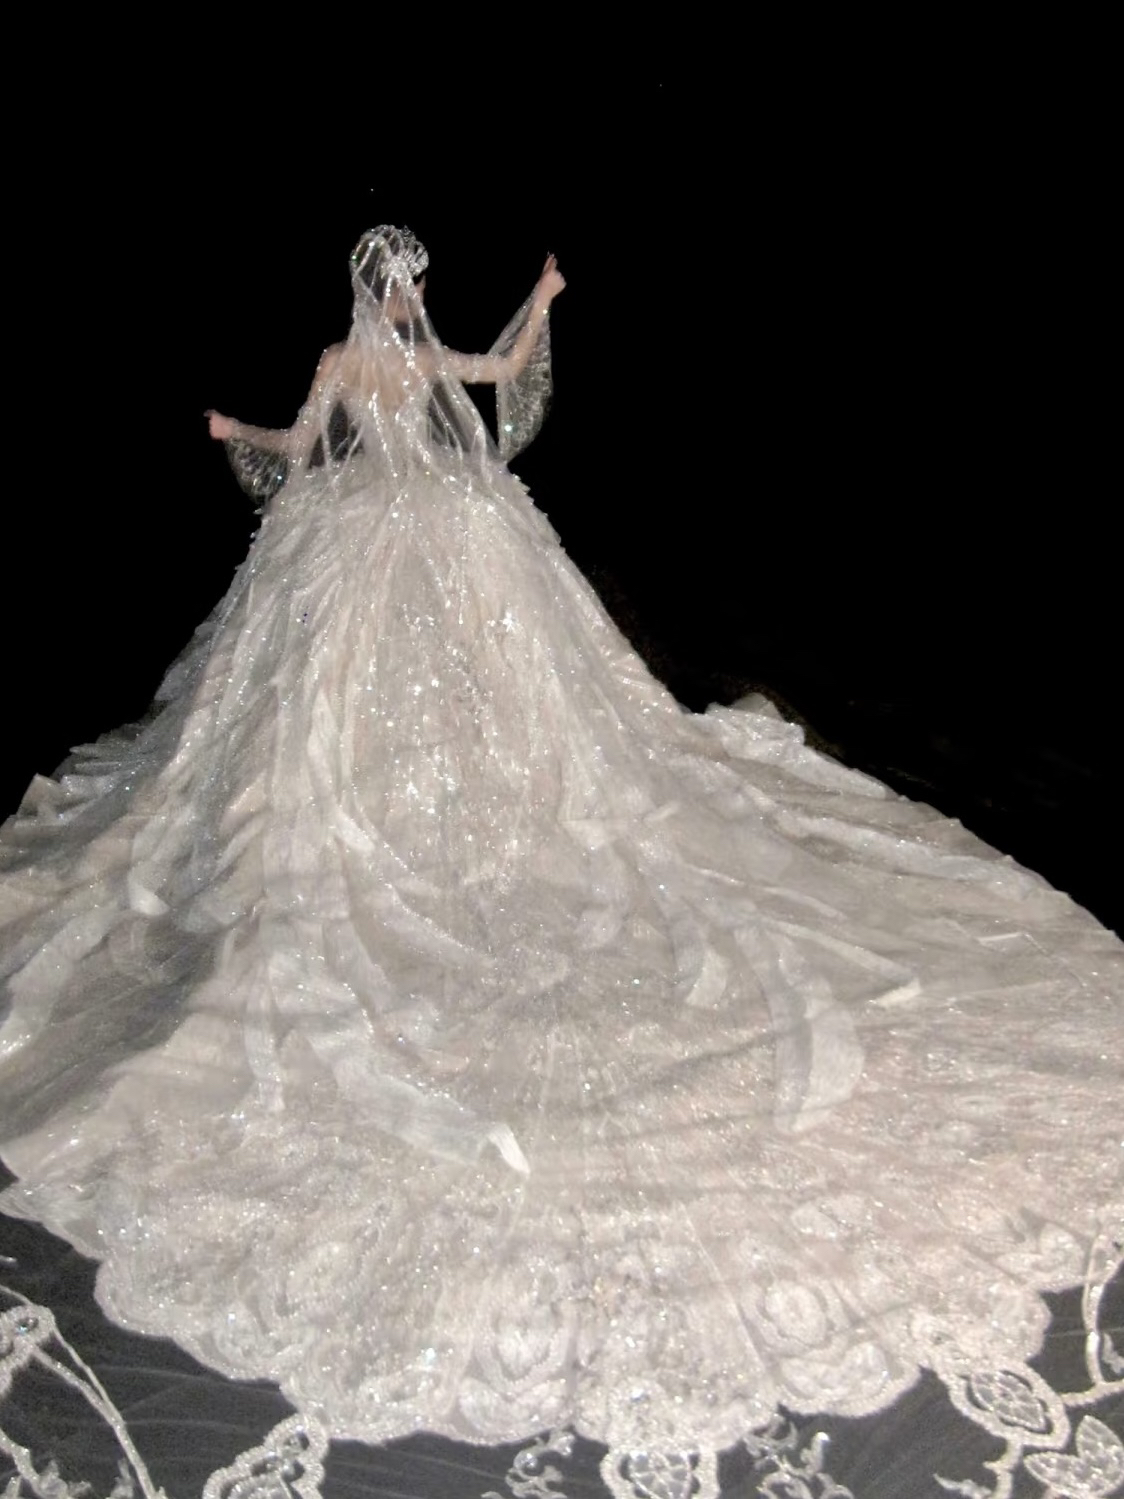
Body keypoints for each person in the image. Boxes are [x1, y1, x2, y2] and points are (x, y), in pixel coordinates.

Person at [0, 228, 1120, 1497]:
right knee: (337, 710)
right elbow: (316, 440)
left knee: (508, 679)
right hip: (381, 529)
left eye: (412, 288)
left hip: (434, 522)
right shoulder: (352, 362)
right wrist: (245, 432)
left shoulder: (403, 356)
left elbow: (457, 391)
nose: (408, 303)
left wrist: (536, 303)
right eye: (400, 288)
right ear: (378, 290)